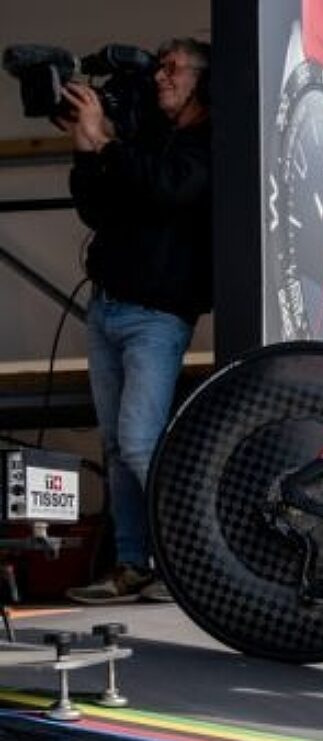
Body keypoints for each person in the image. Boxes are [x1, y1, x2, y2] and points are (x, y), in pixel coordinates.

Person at [63, 38, 212, 604]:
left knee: (140, 442)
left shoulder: (205, 145)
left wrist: (106, 140)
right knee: (114, 442)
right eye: (159, 68)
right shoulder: (149, 138)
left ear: (202, 80)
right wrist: (86, 151)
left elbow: (170, 189)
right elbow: (96, 209)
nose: (160, 78)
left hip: (156, 316)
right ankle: (133, 564)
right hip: (106, 306)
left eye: (173, 69)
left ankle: (193, 563)